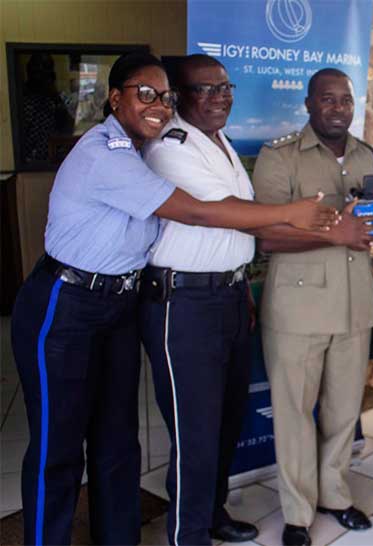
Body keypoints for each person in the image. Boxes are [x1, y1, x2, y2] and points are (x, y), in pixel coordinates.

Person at [10, 52, 337, 546]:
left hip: (120, 303)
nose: (158, 105)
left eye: (163, 96)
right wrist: (293, 215)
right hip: (66, 301)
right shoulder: (107, 152)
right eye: (146, 94)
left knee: (118, 441)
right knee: (59, 447)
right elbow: (198, 214)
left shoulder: (153, 147)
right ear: (114, 97)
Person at [251, 68, 373, 546]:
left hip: (354, 307)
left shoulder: (367, 156)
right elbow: (267, 235)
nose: (337, 108)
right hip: (297, 311)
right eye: (327, 100)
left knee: (344, 411)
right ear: (308, 104)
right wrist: (335, 232)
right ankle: (296, 513)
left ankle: (335, 495)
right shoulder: (280, 155)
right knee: (293, 413)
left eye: (345, 100)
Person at [139, 54, 261, 545]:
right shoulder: (169, 145)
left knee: (228, 421)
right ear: (179, 97)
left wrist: (241, 289)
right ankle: (187, 536)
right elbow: (219, 215)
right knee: (195, 432)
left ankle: (212, 515)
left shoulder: (218, 139)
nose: (219, 97)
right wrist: (295, 215)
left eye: (225, 87)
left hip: (228, 296)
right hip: (183, 305)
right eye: (205, 90)